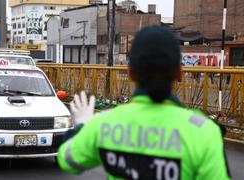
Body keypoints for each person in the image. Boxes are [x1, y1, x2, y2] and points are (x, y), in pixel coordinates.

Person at [57, 26, 231, 180]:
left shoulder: (104, 124)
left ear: (130, 73)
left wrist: (82, 127)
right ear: (179, 72)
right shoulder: (204, 132)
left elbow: (68, 160)